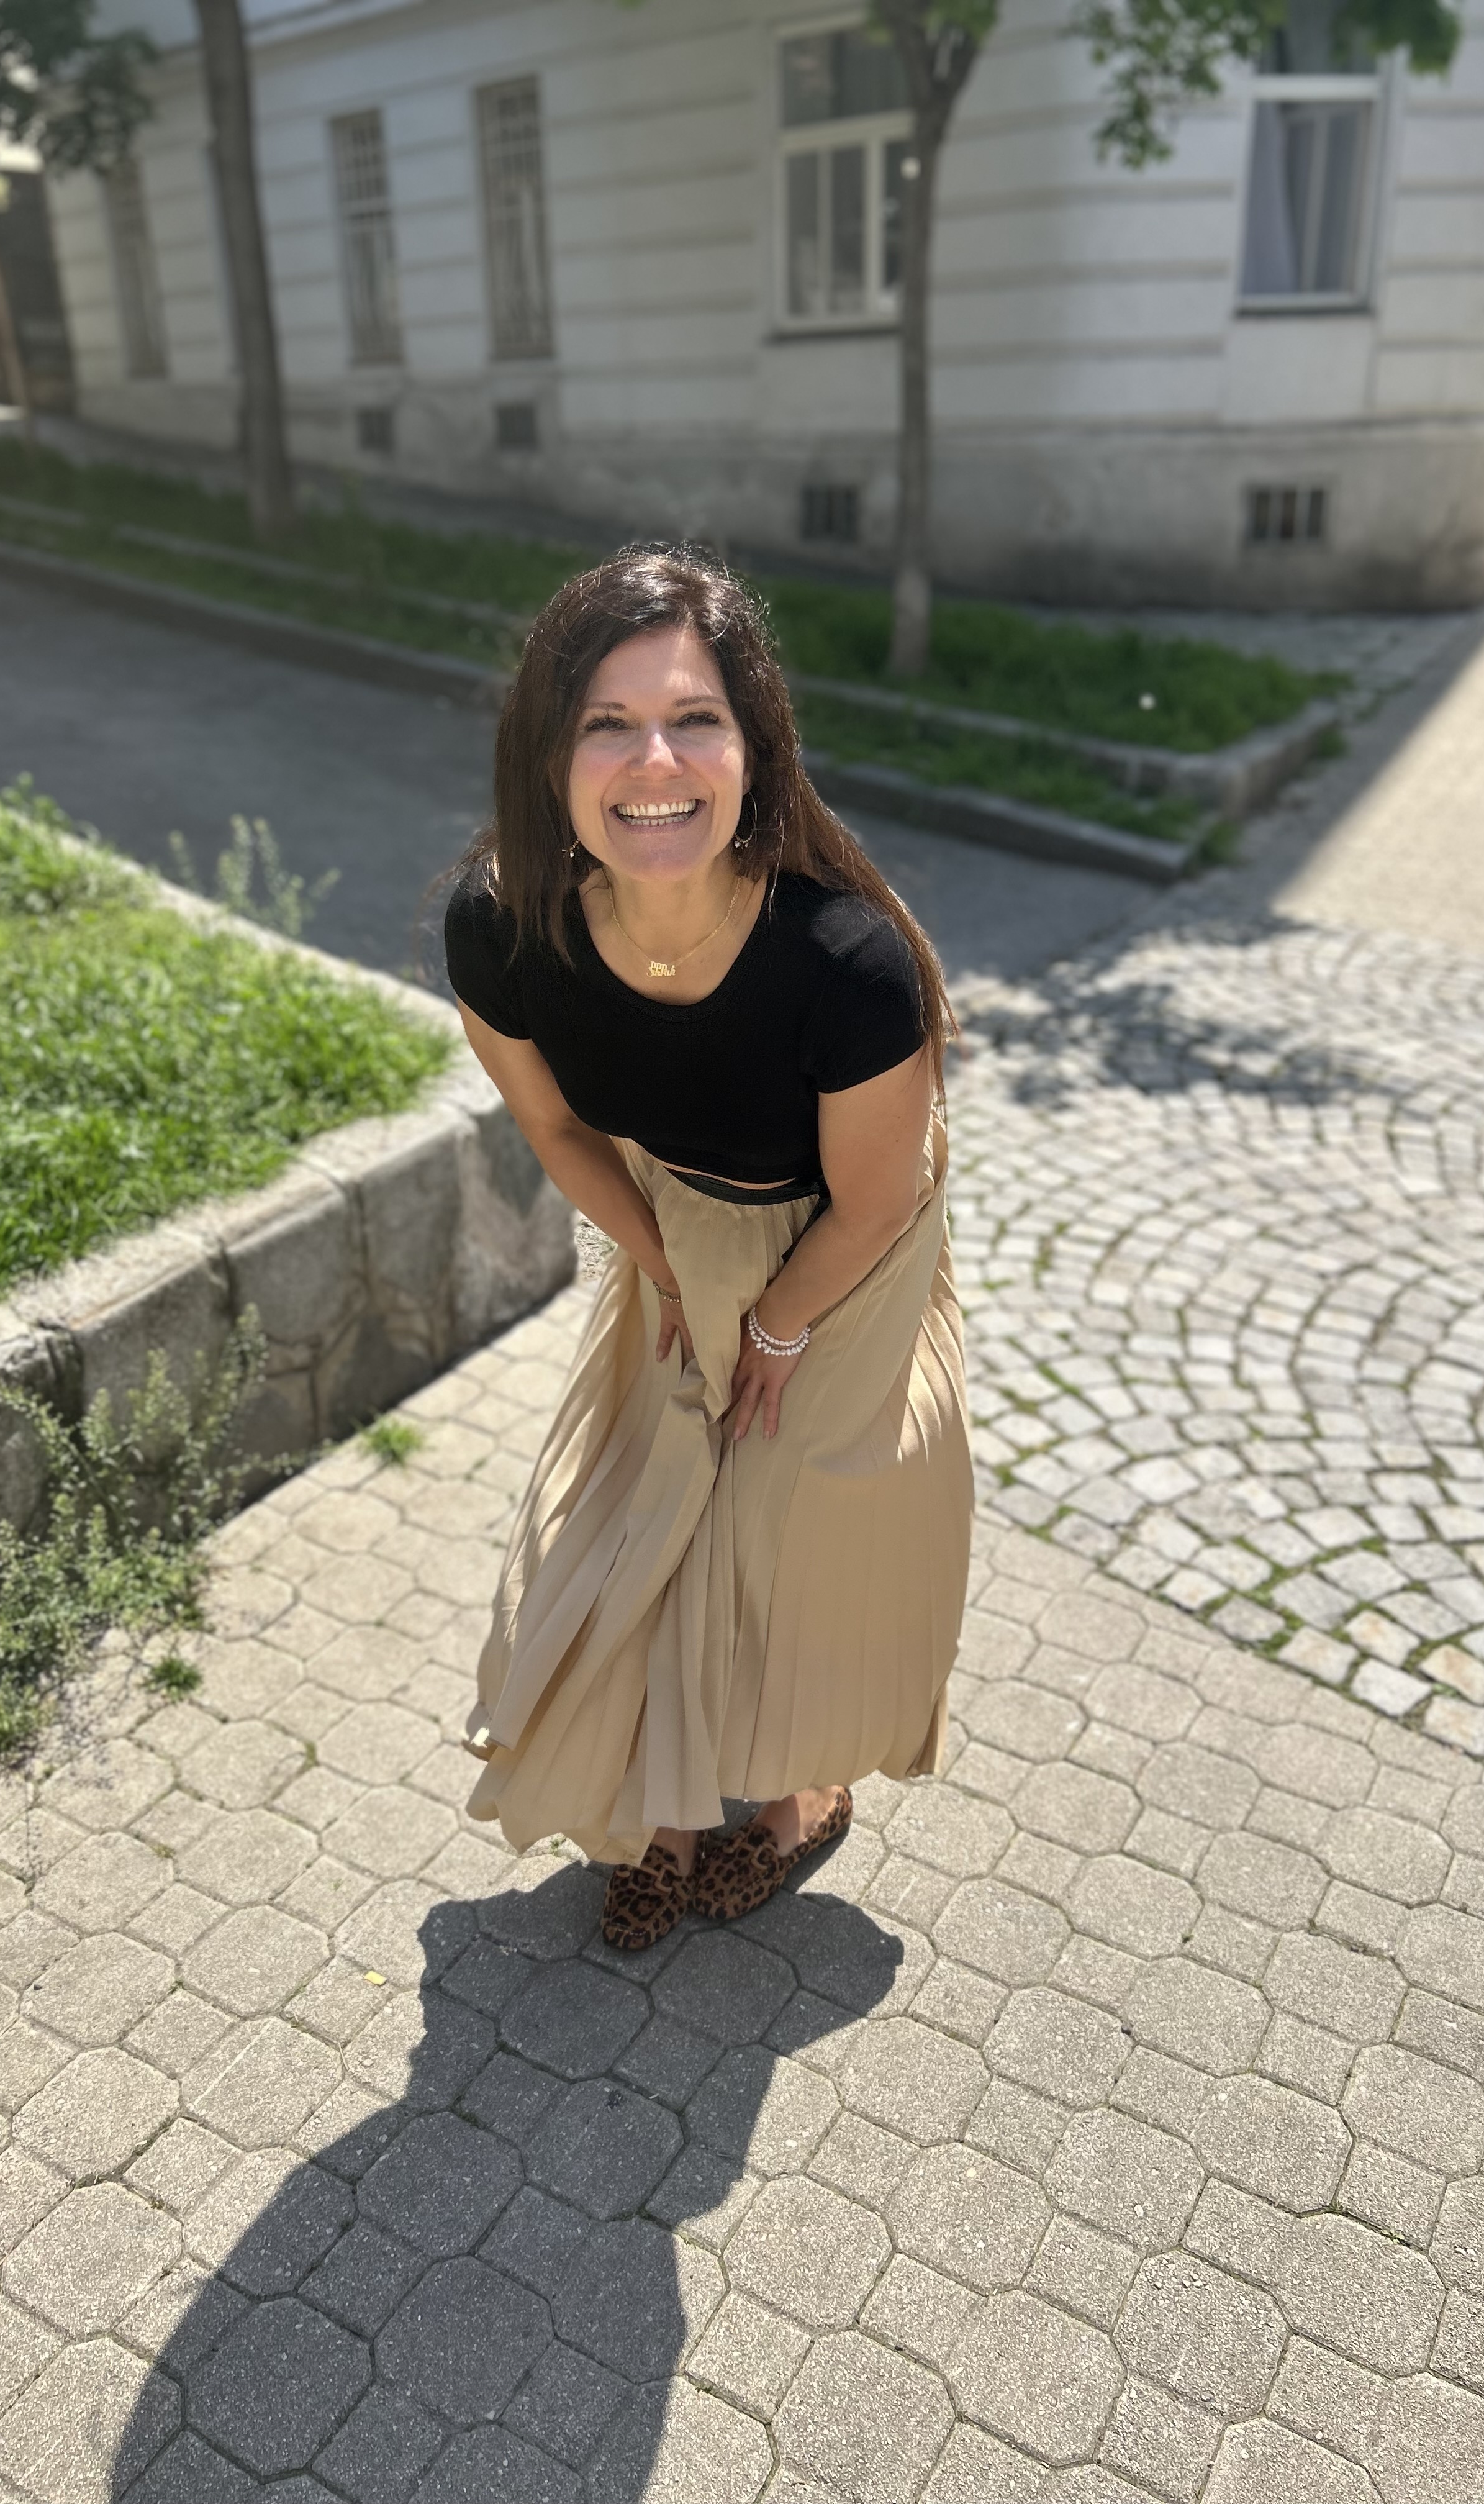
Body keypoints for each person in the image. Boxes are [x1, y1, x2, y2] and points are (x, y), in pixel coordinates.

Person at [441, 545, 972, 1953]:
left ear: (753, 748)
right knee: (663, 1506)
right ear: (547, 757)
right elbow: (556, 1127)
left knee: (773, 1531)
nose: (654, 761)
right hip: (671, 1217)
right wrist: (669, 1268)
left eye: (693, 718)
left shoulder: (848, 966)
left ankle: (803, 1797)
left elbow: (875, 1202)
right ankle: (669, 1809)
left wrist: (777, 1325)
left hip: (842, 1247)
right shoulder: (501, 929)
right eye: (606, 724)